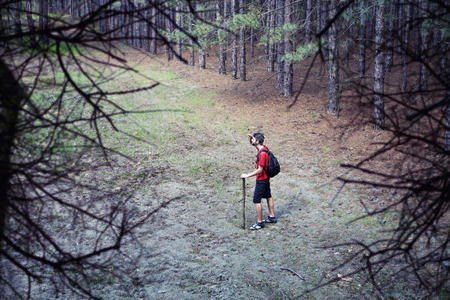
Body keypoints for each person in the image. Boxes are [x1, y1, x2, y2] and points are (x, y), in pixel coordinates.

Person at [241, 133, 277, 230]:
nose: (252, 141)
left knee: (256, 200)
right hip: (266, 178)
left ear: (257, 141)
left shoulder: (262, 154)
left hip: (261, 180)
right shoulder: (263, 148)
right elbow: (254, 145)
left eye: (253, 139)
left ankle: (259, 222)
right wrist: (251, 140)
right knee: (268, 196)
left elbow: (260, 170)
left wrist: (247, 175)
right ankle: (272, 217)